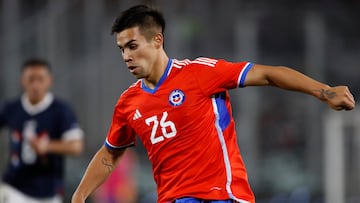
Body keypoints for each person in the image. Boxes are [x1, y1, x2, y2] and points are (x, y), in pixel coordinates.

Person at [71, 5, 355, 203]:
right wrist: (80, 195)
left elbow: (268, 74)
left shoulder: (199, 72)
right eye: (121, 49)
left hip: (225, 195)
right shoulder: (128, 102)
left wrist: (325, 91)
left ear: (157, 40)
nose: (126, 56)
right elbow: (110, 153)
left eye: (132, 46)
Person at [0, 58, 84, 203]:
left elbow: (77, 146)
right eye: (31, 79)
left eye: (40, 79)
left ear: (49, 81)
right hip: (15, 187)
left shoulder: (61, 110)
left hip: (48, 191)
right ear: (22, 81)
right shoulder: (12, 108)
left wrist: (48, 146)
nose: (35, 84)